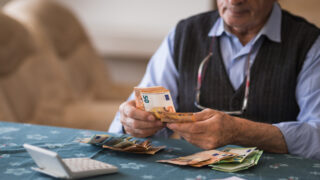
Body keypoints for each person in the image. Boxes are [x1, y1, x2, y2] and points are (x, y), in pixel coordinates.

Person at [109, 0, 320, 160]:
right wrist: (132, 123)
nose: (235, 0)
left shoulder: (309, 44)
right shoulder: (184, 34)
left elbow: (317, 134)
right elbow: (135, 115)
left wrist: (240, 132)